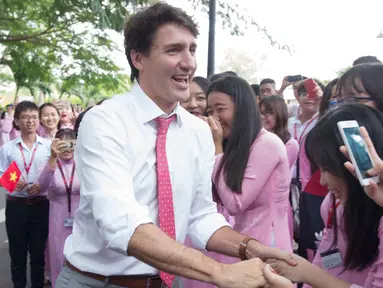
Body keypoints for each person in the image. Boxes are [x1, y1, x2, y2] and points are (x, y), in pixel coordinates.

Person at [56, 3, 294, 288]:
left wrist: (249, 247)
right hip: (98, 281)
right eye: (173, 50)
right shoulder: (105, 121)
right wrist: (220, 272)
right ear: (138, 59)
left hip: (170, 282)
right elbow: (120, 223)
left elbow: (201, 216)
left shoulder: (197, 131)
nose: (189, 63)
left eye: (192, 49)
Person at [269, 104, 383, 288]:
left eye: (327, 169)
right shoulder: (334, 203)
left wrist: (307, 273)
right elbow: (327, 256)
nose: (322, 181)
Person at [0, 101, 51, 288]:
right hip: (16, 207)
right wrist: (14, 183)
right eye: (25, 117)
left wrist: (42, 185)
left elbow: (54, 173)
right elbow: (0, 173)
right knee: (17, 256)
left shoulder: (48, 146)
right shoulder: (8, 148)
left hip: (41, 205)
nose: (30, 121)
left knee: (38, 256)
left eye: (34, 117)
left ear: (38, 121)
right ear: (16, 121)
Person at [38, 129, 80, 287]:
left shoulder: (82, 163)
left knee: (80, 257)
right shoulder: (51, 163)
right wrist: (53, 159)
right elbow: (41, 186)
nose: (68, 148)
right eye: (63, 144)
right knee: (58, 256)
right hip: (57, 218)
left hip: (81, 219)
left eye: (71, 143)